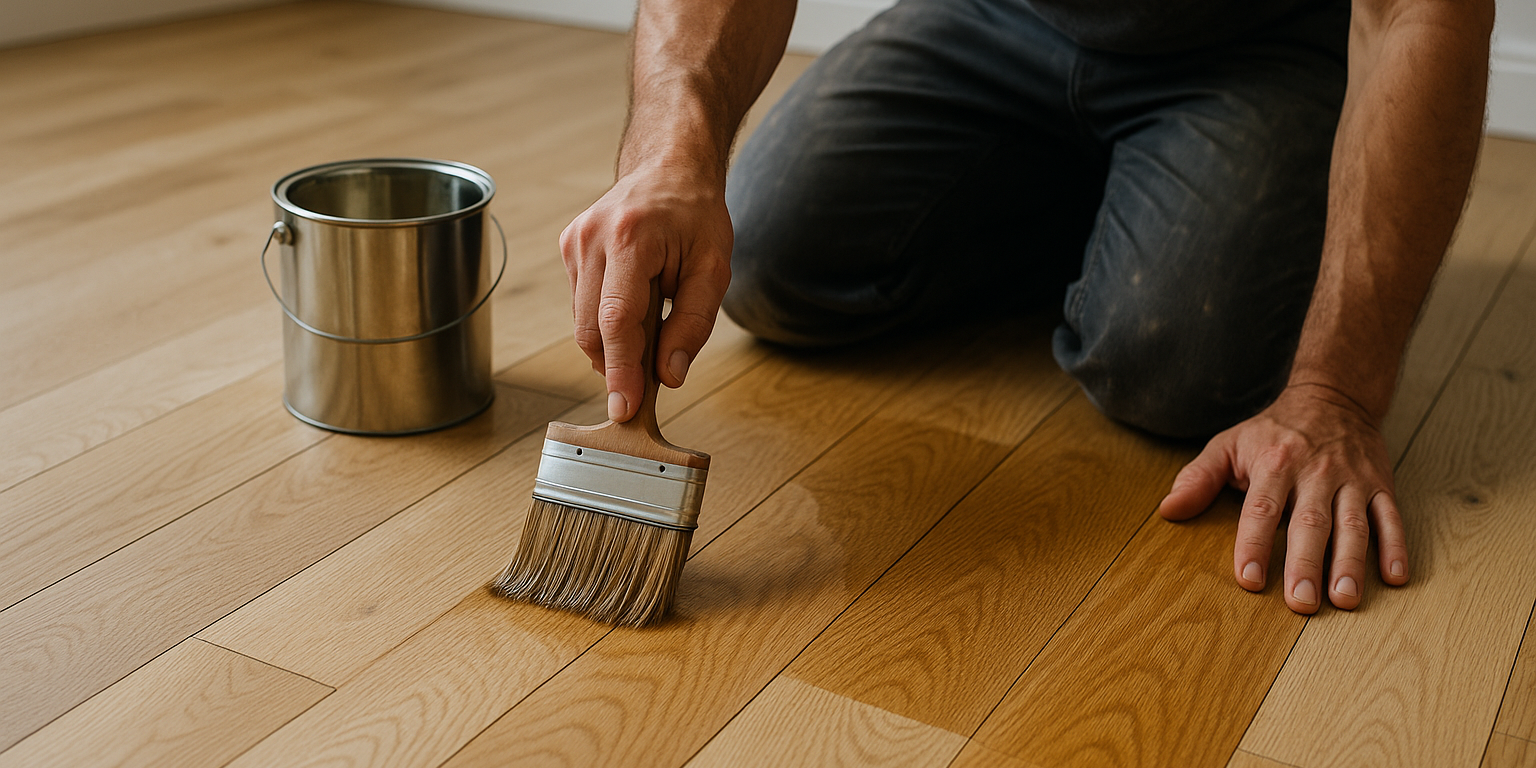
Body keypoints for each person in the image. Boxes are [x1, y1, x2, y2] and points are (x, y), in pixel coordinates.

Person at [555, 0, 1494, 614]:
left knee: (1172, 362)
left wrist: (1337, 390)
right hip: (1004, 15)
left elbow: (1420, 12)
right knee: (766, 255)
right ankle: (1121, 204)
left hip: (1258, 40)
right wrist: (671, 148)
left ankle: (1163, 211)